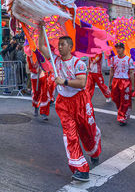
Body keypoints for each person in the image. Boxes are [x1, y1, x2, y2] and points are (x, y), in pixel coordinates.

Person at [38, 25, 101, 182]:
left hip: (80, 101)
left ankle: (94, 151)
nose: (59, 47)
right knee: (70, 135)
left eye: (62, 44)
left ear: (70, 47)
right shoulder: (55, 60)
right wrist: (40, 29)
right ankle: (80, 168)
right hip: (63, 103)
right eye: (59, 44)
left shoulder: (78, 63)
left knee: (87, 131)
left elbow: (81, 83)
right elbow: (41, 47)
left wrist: (64, 81)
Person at [109, 43, 134, 126]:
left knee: (124, 100)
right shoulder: (113, 59)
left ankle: (122, 117)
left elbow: (131, 72)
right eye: (117, 48)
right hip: (116, 80)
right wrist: (110, 82)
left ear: (123, 49)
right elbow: (111, 71)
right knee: (115, 98)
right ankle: (122, 111)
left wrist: (133, 85)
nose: (118, 49)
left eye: (120, 48)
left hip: (125, 81)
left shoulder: (128, 60)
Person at [26, 54, 50, 120]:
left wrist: (44, 68)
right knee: (36, 93)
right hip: (34, 77)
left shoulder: (42, 53)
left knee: (44, 93)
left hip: (43, 76)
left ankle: (44, 112)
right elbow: (30, 67)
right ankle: (36, 107)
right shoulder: (29, 56)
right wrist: (35, 71)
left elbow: (46, 63)